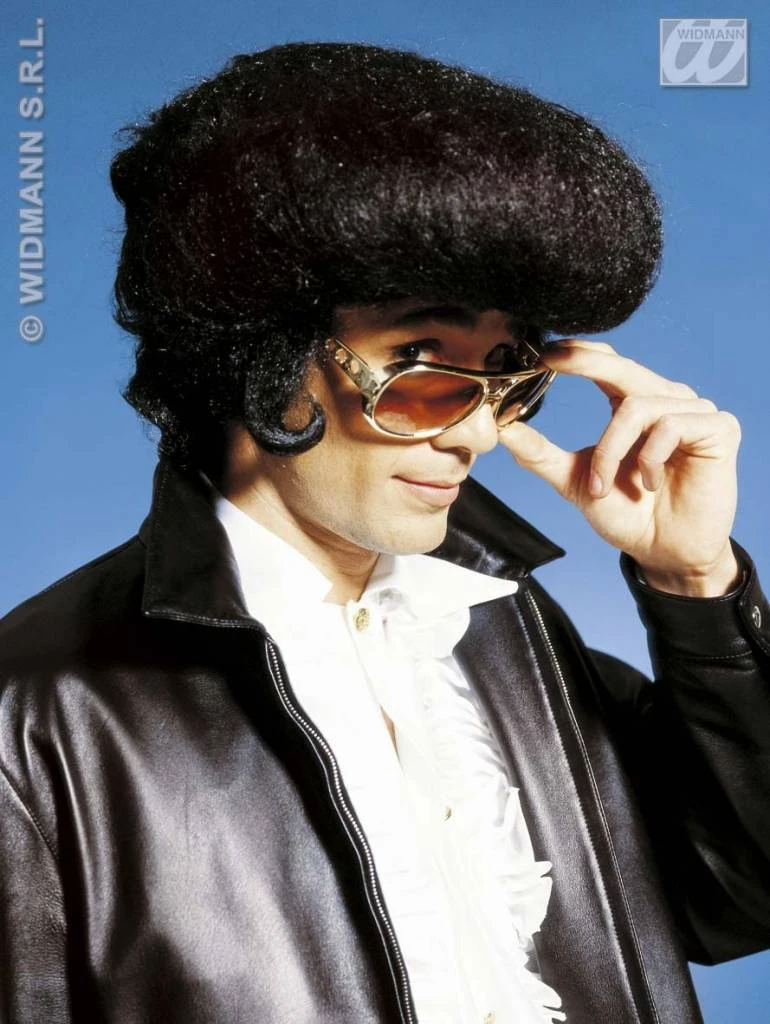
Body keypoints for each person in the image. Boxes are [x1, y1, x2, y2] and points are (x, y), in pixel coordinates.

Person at [0, 40, 768, 1024]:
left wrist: (694, 585)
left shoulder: (508, 629)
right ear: (260, 354)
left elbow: (739, 897)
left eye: (506, 376)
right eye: (421, 367)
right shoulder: (41, 714)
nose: (478, 433)